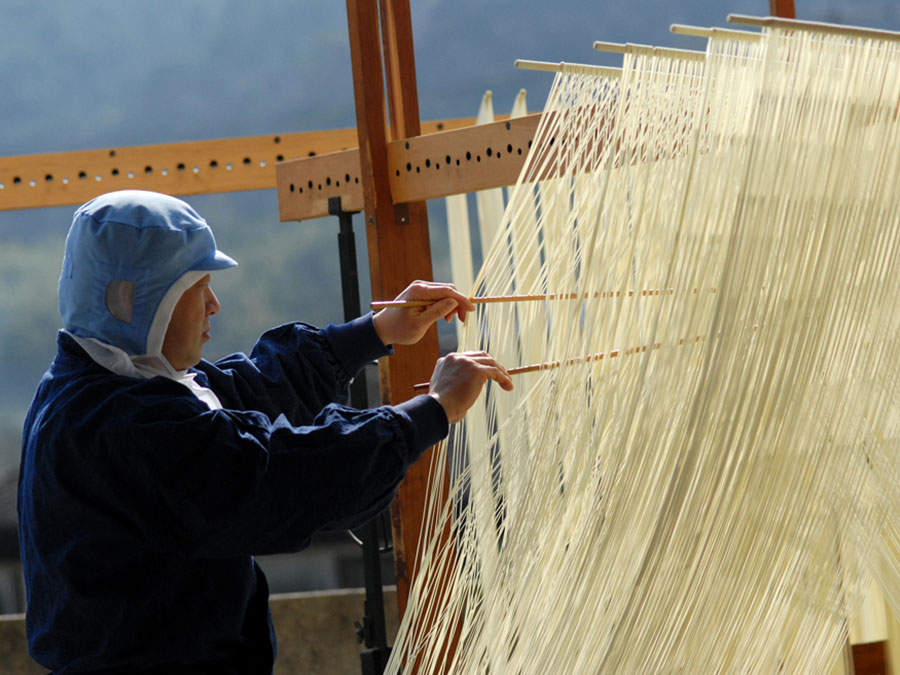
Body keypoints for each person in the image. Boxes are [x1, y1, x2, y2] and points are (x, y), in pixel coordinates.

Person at [17, 190, 513, 674]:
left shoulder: (94, 385)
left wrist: (376, 331)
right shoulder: (128, 428)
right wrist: (434, 409)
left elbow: (246, 391)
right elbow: (282, 475)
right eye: (196, 287)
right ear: (138, 301)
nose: (214, 305)